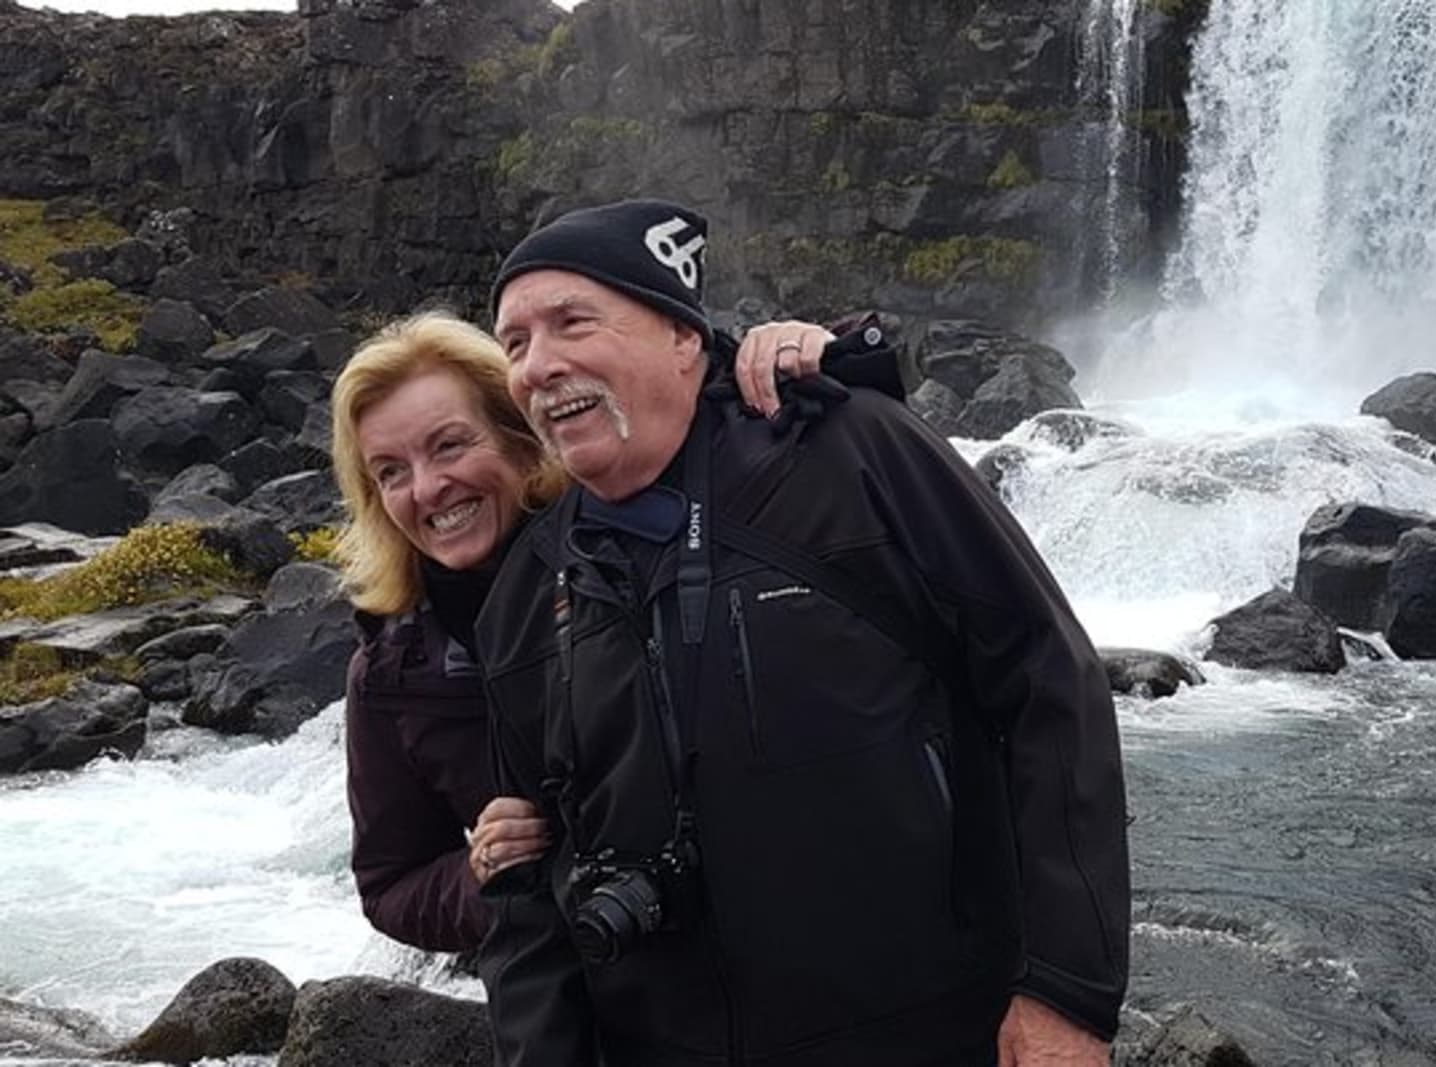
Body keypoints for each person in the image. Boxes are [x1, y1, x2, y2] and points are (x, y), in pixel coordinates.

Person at [475, 198, 1130, 1066]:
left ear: (683, 337)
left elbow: (1048, 680)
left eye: (572, 322)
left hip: (936, 1034)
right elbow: (526, 887)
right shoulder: (525, 597)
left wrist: (1066, 991)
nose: (539, 365)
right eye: (514, 343)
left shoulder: (851, 453)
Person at [331, 308, 848, 953]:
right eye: (390, 472)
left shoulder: (634, 535)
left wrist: (795, 351)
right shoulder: (393, 667)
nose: (429, 488)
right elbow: (390, 885)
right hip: (587, 980)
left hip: (792, 923)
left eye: (450, 445)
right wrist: (481, 876)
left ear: (521, 433)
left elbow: (717, 432)